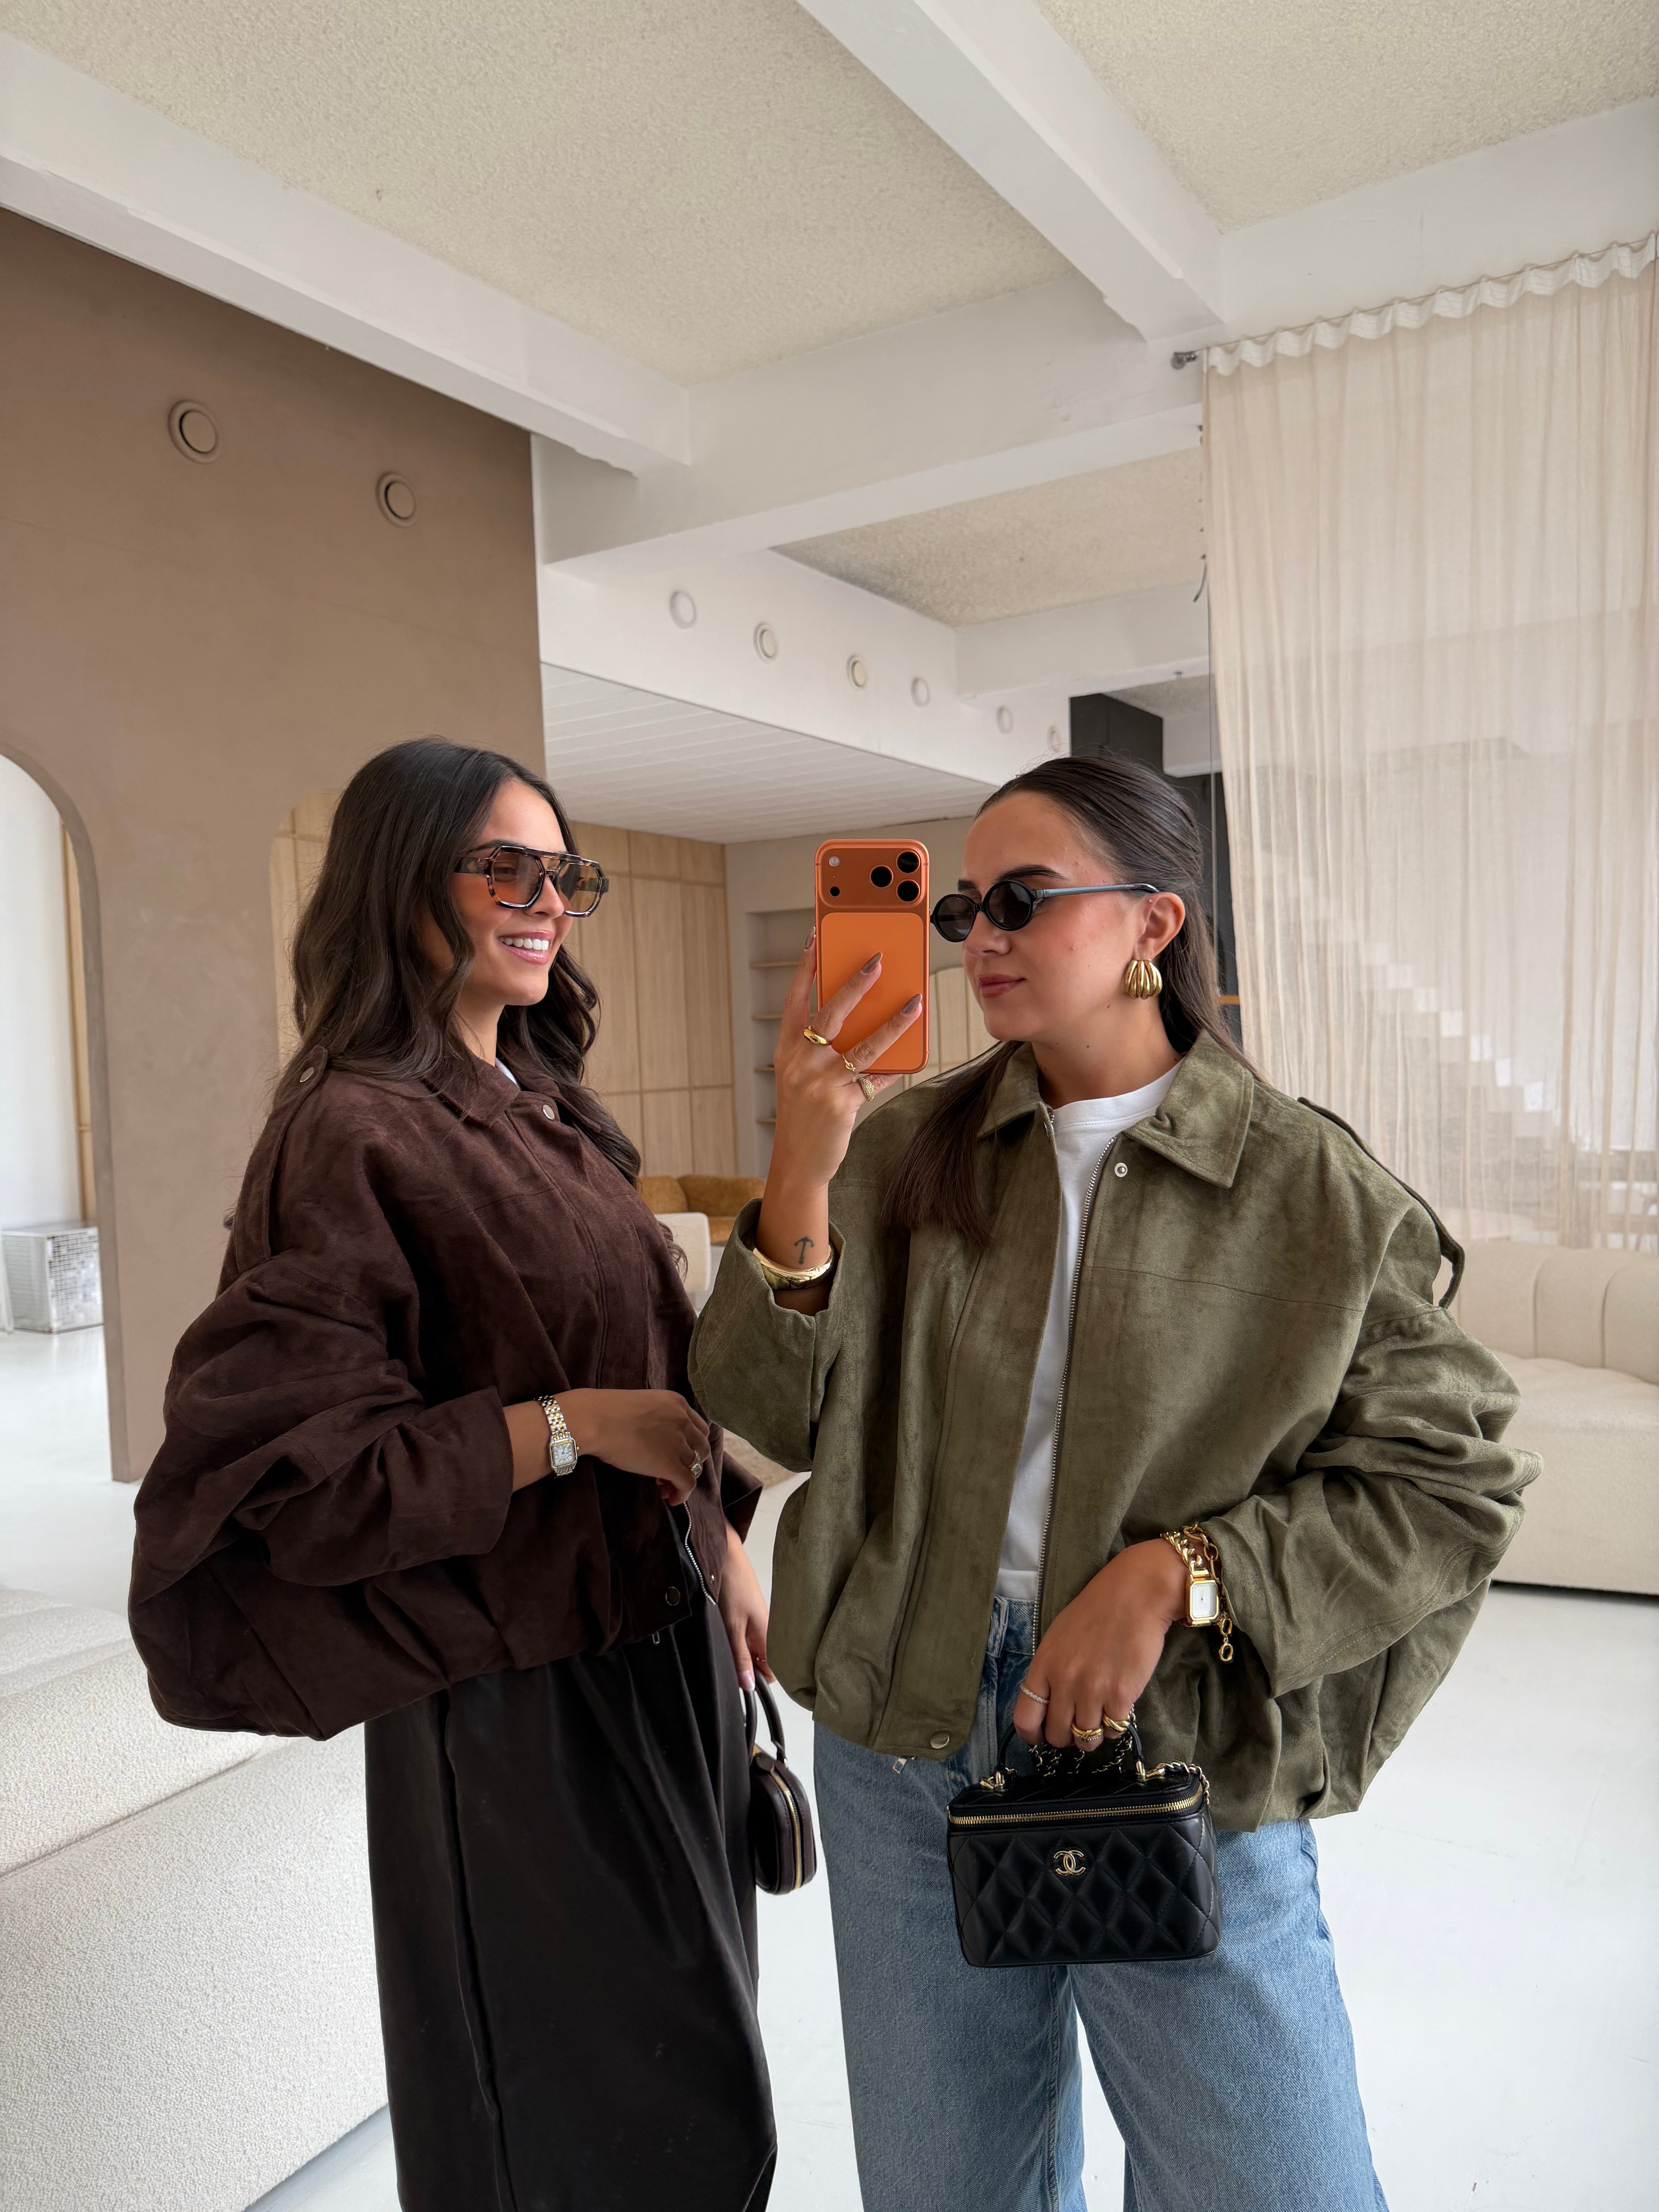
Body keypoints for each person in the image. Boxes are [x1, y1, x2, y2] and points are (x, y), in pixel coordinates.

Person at [690, 752, 1534, 2212]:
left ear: (1154, 922)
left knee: (1273, 2186)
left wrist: (1177, 1574)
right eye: (965, 907)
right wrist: (801, 1173)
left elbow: (1450, 1481)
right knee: (947, 2190)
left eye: (1024, 898)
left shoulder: (1305, 1188)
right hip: (903, 1742)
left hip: (1166, 1737)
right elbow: (764, 1418)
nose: (982, 937)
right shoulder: (903, 1151)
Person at [130, 737, 776, 2212]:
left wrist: (716, 1538)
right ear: (399, 878)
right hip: (507, 1704)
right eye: (503, 869)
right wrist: (569, 1427)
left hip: (658, 1653)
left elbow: (654, 1373)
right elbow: (302, 1481)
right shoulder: (347, 1128)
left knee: (697, 2098)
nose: (544, 901)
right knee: (567, 2131)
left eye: (562, 875)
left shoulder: (550, 1107)